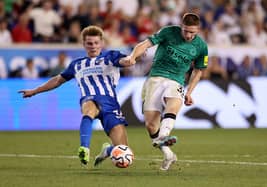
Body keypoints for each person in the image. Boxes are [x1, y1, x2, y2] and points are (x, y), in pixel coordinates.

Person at [18, 25, 133, 167]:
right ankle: (84, 147)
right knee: (89, 109)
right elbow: (58, 80)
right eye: (89, 43)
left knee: (125, 152)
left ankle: (108, 150)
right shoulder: (77, 64)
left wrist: (129, 60)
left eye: (96, 43)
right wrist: (35, 91)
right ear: (84, 44)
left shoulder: (110, 57)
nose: (93, 46)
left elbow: (124, 61)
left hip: (110, 103)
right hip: (89, 97)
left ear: (102, 43)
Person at [127, 13, 208, 170]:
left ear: (198, 30)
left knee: (173, 103)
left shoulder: (201, 46)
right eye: (186, 31)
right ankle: (168, 153)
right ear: (181, 26)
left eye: (193, 32)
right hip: (155, 78)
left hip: (176, 80)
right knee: (151, 125)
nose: (189, 35)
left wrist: (189, 92)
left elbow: (198, 71)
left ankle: (164, 135)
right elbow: (144, 45)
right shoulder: (168, 32)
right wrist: (132, 57)